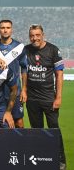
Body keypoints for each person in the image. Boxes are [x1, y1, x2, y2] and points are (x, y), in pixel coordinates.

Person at [25, 24, 66, 170]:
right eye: (32, 35)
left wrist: (58, 97)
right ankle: (41, 158)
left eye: (37, 35)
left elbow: (59, 74)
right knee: (37, 131)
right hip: (32, 99)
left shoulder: (53, 50)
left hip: (49, 98)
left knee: (54, 130)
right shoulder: (26, 49)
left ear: (43, 35)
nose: (34, 38)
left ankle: (61, 160)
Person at [0, 20, 27, 128]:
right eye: (2, 28)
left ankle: (21, 144)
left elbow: (24, 69)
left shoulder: (20, 47)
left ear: (11, 30)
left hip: (15, 90)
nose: (5, 30)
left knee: (19, 122)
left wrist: (24, 90)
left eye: (8, 27)